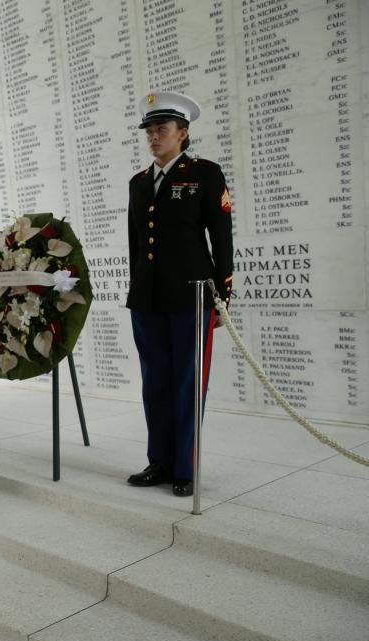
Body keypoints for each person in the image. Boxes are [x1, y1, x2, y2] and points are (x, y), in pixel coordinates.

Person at [125, 91, 234, 497]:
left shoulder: (204, 173)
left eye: (162, 129)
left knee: (189, 383)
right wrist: (136, 289)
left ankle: (185, 468)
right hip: (148, 299)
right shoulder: (138, 183)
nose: (153, 137)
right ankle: (160, 461)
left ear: (182, 133)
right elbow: (137, 244)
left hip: (192, 297)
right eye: (149, 131)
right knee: (155, 382)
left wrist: (223, 296)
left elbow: (221, 238)